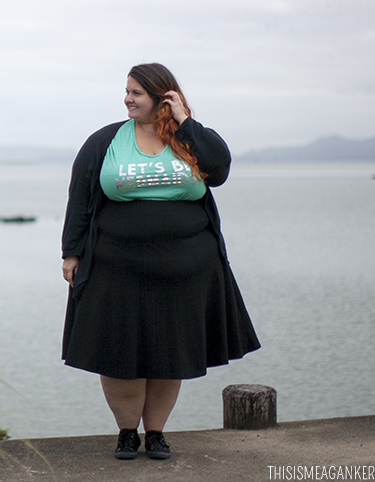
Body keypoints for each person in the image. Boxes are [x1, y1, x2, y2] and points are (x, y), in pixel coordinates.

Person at [61, 63, 259, 460]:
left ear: (162, 96)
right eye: (127, 91)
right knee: (119, 355)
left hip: (186, 268)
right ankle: (126, 433)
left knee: (170, 353)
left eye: (136, 92)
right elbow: (79, 198)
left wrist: (185, 121)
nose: (127, 98)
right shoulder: (105, 141)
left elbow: (218, 170)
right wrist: (71, 252)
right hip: (115, 266)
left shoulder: (190, 139)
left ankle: (156, 434)